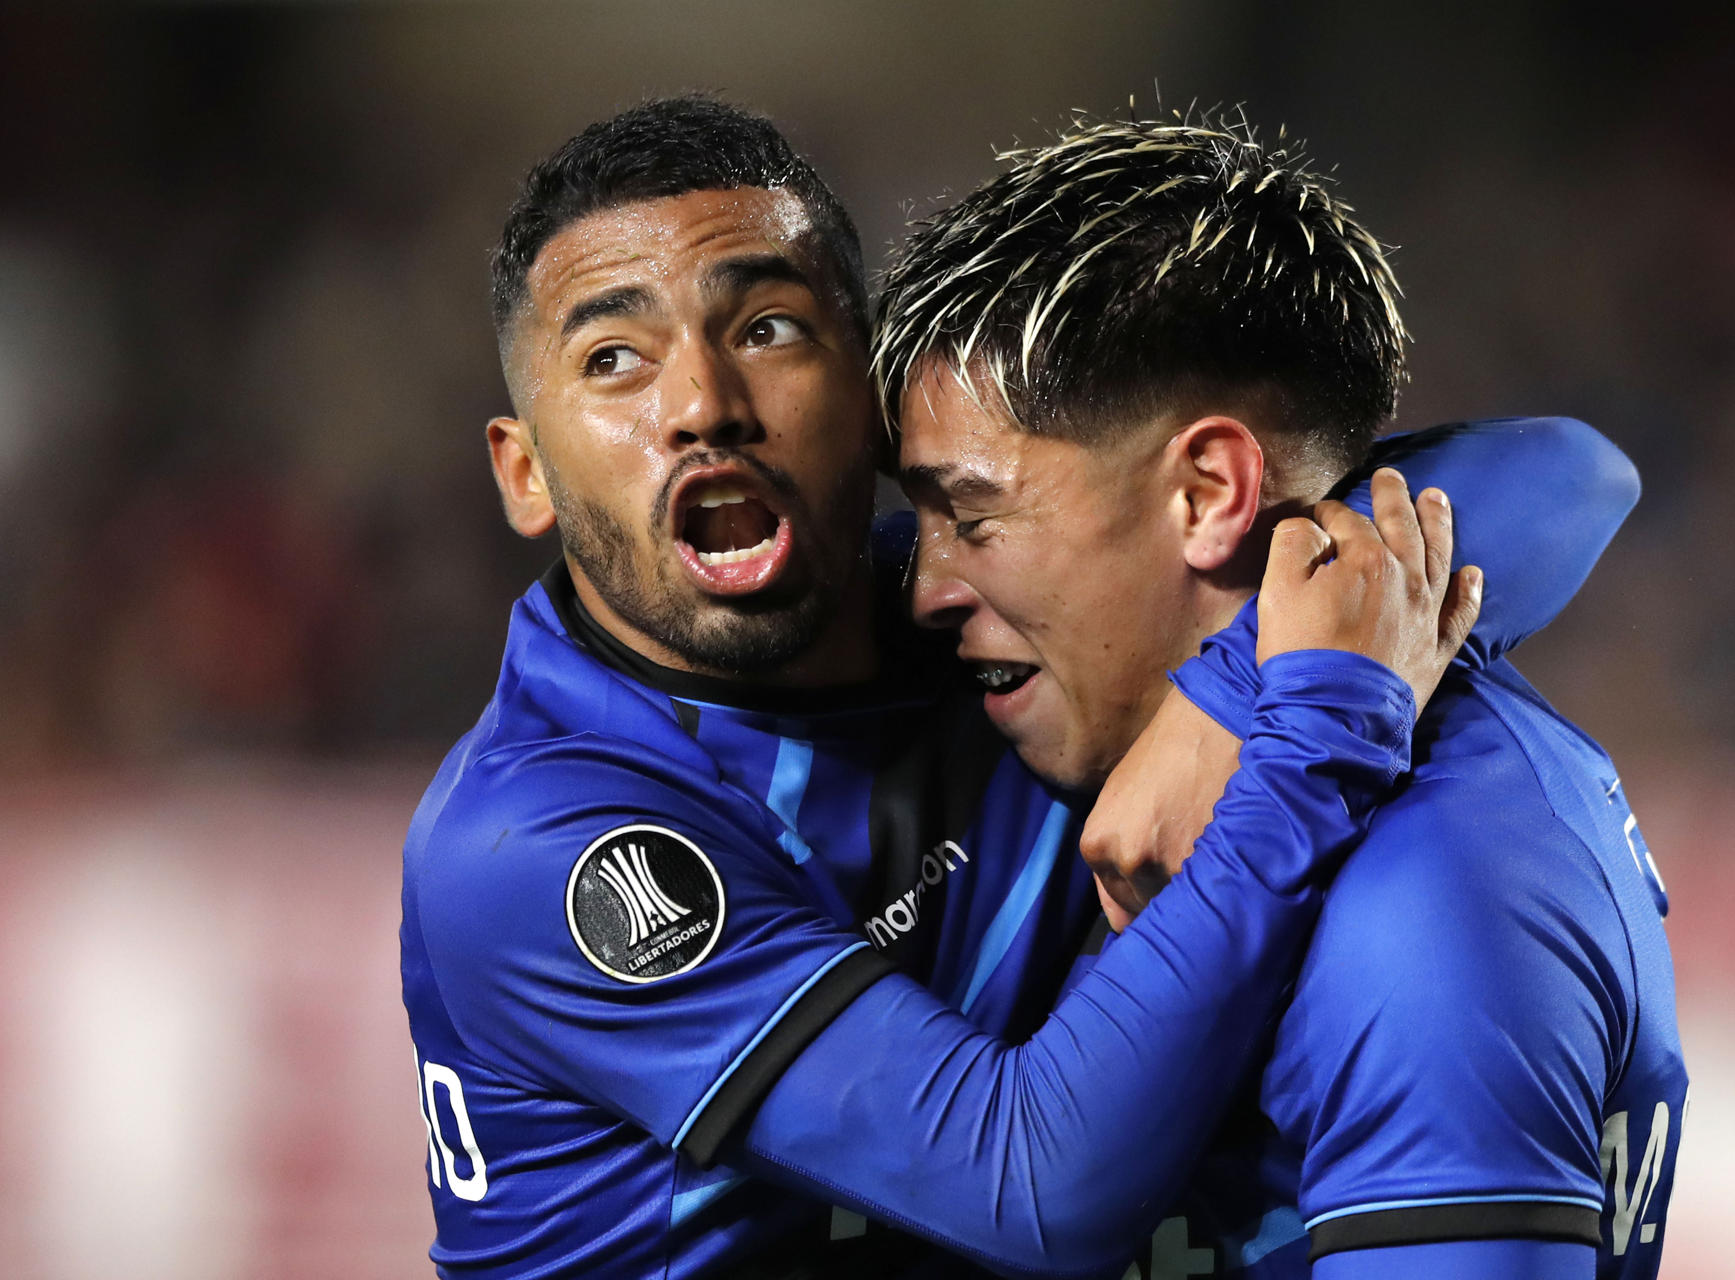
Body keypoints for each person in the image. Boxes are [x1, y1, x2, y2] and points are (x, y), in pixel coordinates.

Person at [402, 97, 1632, 1279]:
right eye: (614, 357)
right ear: (526, 475)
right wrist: (1309, 735)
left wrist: (1226, 691)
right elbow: (1035, 1188)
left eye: (767, 327)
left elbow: (1568, 478)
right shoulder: (541, 840)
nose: (702, 407)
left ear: (866, 391)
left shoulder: (977, 614)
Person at [875, 111, 1685, 1279]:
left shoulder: (1434, 889)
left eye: (977, 516)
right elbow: (1570, 469)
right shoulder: (1086, 735)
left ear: (1208, 491)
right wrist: (1238, 685)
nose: (928, 586)